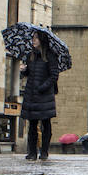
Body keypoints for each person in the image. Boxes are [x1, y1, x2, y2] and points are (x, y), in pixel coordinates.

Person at [20, 33, 59, 161]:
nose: (33, 40)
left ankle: (44, 151)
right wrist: (24, 70)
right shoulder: (30, 55)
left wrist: (42, 87)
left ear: (41, 40)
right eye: (33, 38)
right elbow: (29, 74)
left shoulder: (50, 56)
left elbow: (54, 76)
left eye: (35, 38)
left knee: (46, 123)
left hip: (44, 95)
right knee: (32, 124)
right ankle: (32, 152)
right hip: (31, 94)